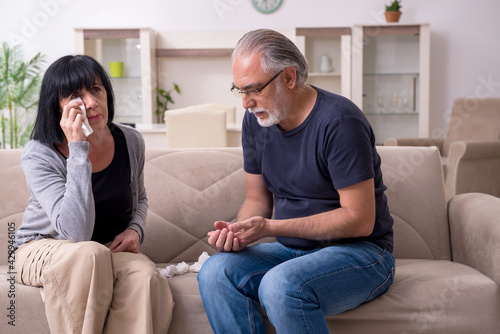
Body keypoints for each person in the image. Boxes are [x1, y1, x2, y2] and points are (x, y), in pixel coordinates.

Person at [198, 29, 395, 333]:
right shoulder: (255, 121)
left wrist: (270, 228)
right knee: (215, 272)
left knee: (280, 285)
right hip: (293, 251)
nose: (245, 103)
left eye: (253, 90)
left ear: (289, 77)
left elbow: (360, 220)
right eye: (239, 91)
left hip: (363, 253)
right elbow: (257, 200)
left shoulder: (340, 122)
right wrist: (238, 232)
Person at [14, 55, 173, 334]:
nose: (90, 102)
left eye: (96, 90)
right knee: (89, 254)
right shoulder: (40, 153)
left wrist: (135, 230)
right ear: (57, 107)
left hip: (104, 249)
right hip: (43, 247)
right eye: (76, 96)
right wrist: (78, 149)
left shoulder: (130, 140)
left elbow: (140, 198)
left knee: (145, 276)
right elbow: (75, 233)